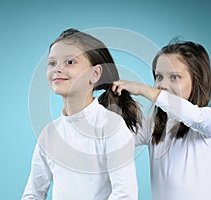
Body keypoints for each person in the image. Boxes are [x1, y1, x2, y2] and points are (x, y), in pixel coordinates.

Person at [22, 28, 142, 200]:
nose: (58, 69)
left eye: (70, 62)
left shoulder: (111, 127)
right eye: (52, 63)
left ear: (95, 73)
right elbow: (33, 193)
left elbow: (125, 195)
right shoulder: (49, 134)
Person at [112, 40, 211, 200]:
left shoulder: (209, 121)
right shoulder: (152, 126)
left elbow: (192, 116)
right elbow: (113, 139)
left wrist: (143, 90)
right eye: (159, 76)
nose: (162, 85)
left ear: (197, 80)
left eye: (175, 77)